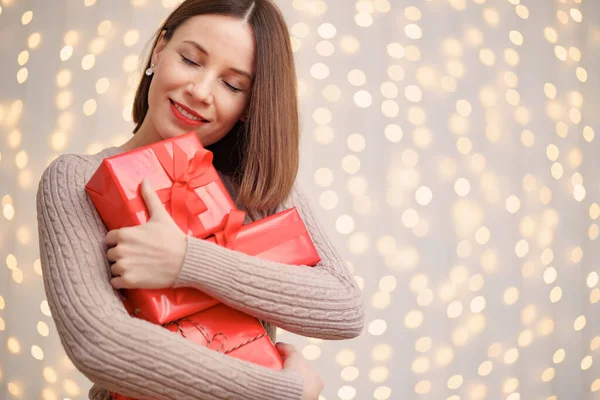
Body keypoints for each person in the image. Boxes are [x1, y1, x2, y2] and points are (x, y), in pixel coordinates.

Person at [36, 0, 364, 399]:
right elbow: (100, 343)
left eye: (232, 85)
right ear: (159, 50)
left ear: (249, 104)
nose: (200, 91)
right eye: (191, 60)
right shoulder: (75, 179)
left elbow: (344, 309)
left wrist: (187, 262)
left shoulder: (257, 184)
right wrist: (279, 393)